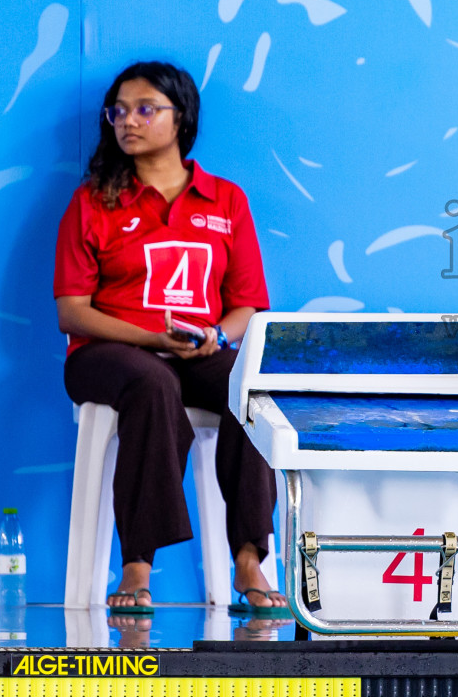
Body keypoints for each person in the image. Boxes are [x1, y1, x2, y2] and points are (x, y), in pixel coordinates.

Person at [54, 61, 288, 615]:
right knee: (153, 381)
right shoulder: (93, 201)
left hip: (193, 348)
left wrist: (213, 334)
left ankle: (250, 556)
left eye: (144, 109)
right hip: (107, 354)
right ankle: (137, 561)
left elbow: (246, 306)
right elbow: (72, 313)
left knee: (247, 385)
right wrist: (150, 338)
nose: (126, 122)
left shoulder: (225, 200)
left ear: (180, 119)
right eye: (118, 112)